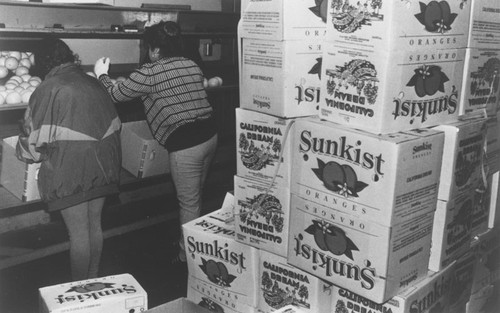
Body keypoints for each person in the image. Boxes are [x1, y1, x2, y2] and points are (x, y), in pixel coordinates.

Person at [94, 21, 218, 264]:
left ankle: (187, 258)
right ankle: (192, 244)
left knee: (189, 204)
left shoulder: (150, 72)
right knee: (196, 196)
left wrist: (102, 75)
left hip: (187, 145)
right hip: (210, 136)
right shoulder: (191, 64)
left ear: (155, 50)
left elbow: (115, 94)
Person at [16, 38, 122, 280]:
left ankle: (78, 292)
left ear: (42, 63)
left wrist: (22, 154)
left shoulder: (48, 88)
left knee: (78, 234)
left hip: (71, 168)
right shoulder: (93, 82)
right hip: (105, 163)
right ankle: (93, 282)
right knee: (94, 226)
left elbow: (34, 139)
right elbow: (117, 124)